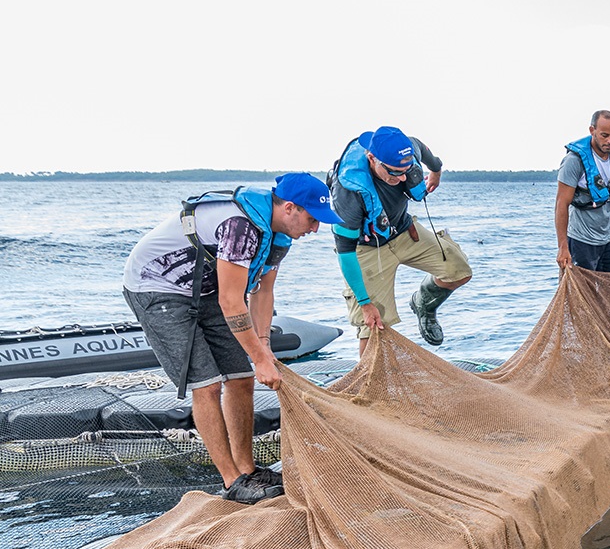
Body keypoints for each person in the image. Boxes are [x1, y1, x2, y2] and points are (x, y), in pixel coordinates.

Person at [121, 173, 339, 503]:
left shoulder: (279, 235)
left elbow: (262, 292)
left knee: (240, 378)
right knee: (207, 385)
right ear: (290, 208)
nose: (316, 228)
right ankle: (232, 481)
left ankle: (248, 470)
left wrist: (263, 345)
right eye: (312, 219)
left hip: (204, 288)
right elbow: (231, 302)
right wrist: (261, 359)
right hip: (157, 287)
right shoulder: (240, 226)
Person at [329, 126, 474, 353]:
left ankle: (423, 304)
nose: (403, 177)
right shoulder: (348, 194)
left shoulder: (406, 149)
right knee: (374, 325)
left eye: (407, 170)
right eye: (395, 172)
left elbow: (422, 149)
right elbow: (345, 253)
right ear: (372, 158)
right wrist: (365, 303)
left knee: (459, 270)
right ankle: (371, 377)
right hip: (367, 249)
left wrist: (436, 170)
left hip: (405, 232)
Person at [554, 110, 610, 273]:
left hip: (609, 242)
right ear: (592, 130)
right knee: (580, 289)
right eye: (604, 135)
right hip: (580, 241)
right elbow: (561, 204)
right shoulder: (573, 162)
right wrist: (562, 247)